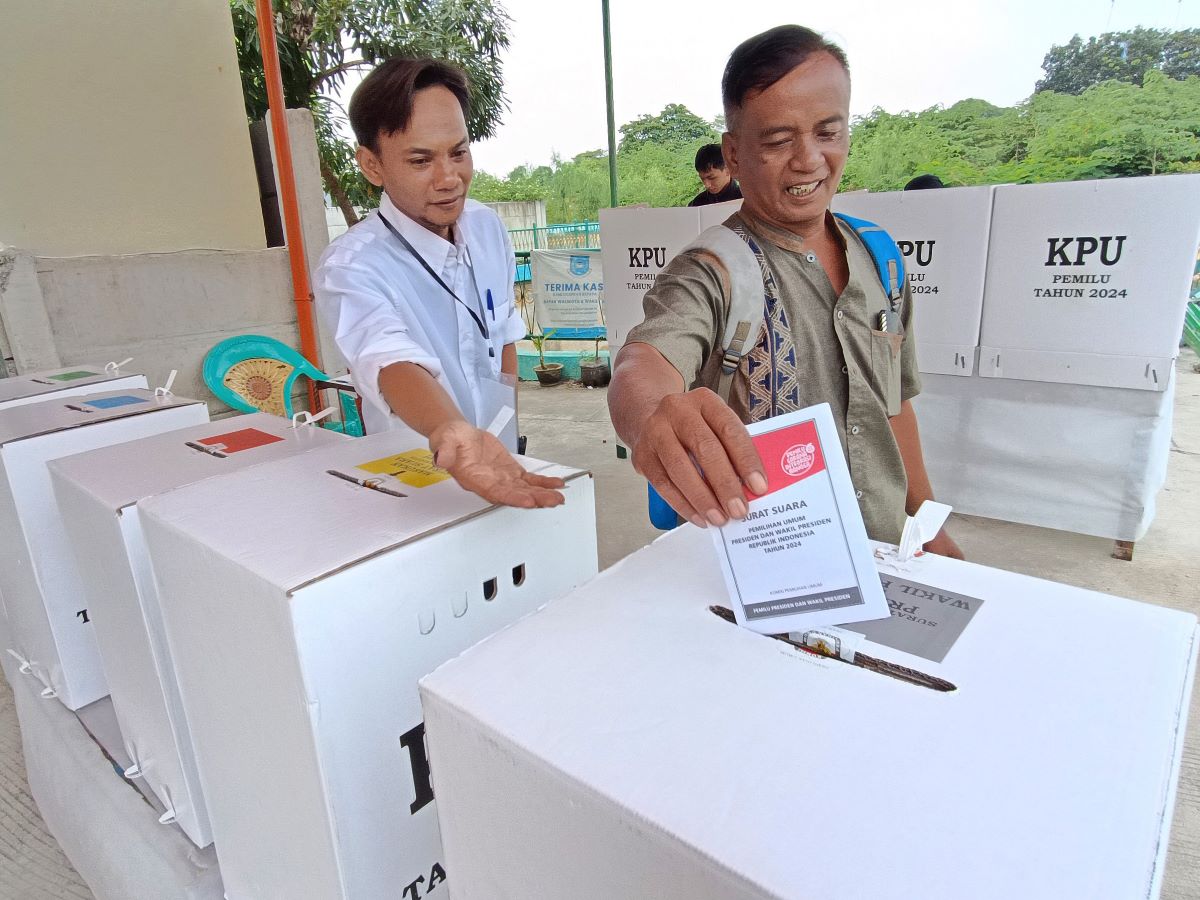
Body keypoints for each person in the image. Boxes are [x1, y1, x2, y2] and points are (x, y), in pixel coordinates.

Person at [608, 25, 961, 558]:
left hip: (889, 556)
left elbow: (894, 406)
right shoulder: (711, 271)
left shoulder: (881, 259)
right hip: (773, 568)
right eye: (777, 141)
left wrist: (928, 526)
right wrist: (652, 414)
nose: (808, 159)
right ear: (734, 153)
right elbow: (643, 362)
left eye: (828, 132)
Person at [315, 57, 563, 508]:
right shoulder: (352, 266)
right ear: (372, 165)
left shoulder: (487, 228)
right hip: (416, 479)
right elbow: (389, 360)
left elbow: (503, 332)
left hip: (503, 460)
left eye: (459, 152)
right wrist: (451, 431)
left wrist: (503, 429)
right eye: (420, 160)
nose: (449, 178)